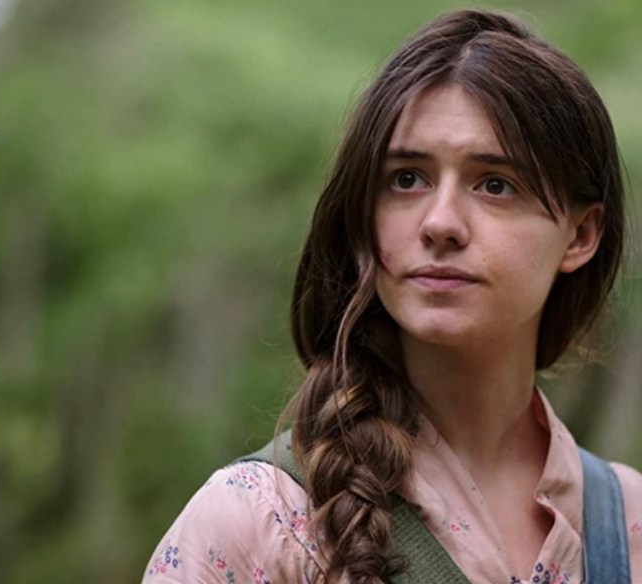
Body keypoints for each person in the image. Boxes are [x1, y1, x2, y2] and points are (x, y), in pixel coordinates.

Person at [142, 9, 642, 584]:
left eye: (495, 184)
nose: (440, 223)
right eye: (407, 178)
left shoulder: (626, 526)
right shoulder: (262, 521)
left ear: (580, 235)